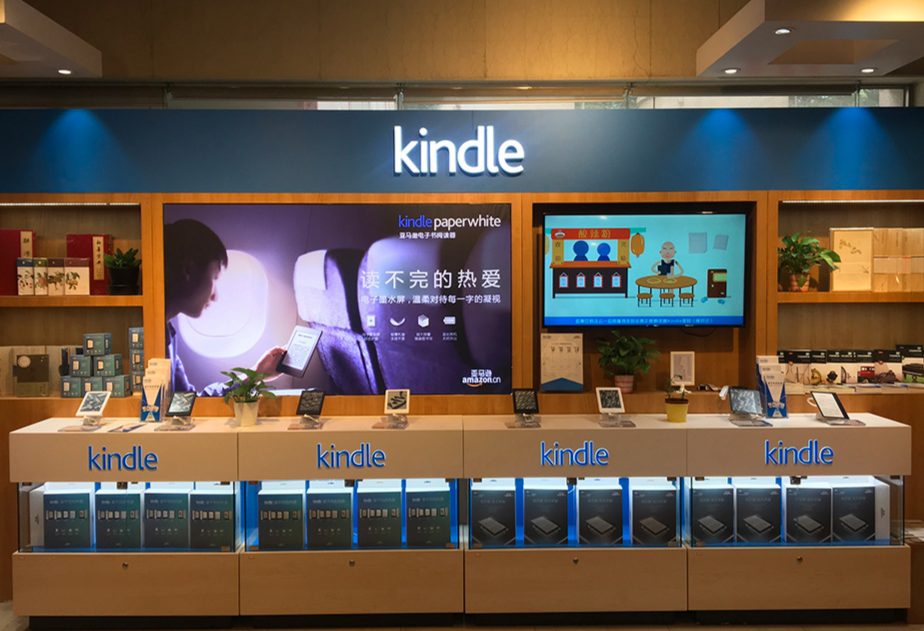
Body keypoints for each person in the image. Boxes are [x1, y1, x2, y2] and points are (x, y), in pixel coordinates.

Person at [164, 219, 285, 396]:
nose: (215, 296)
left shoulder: (167, 332)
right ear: (188, 270)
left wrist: (256, 374)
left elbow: (187, 400)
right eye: (214, 278)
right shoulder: (148, 333)